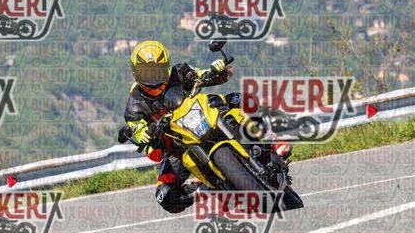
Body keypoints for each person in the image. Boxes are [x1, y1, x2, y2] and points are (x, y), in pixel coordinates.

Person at [123, 40, 291, 214]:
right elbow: (143, 138)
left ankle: (273, 141)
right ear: (135, 73)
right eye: (146, 73)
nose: (153, 80)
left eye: (156, 72)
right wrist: (147, 138)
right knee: (165, 196)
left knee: (238, 99)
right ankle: (209, 189)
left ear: (166, 67)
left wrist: (217, 70)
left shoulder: (179, 72)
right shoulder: (134, 107)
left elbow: (206, 75)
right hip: (176, 147)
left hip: (199, 117)